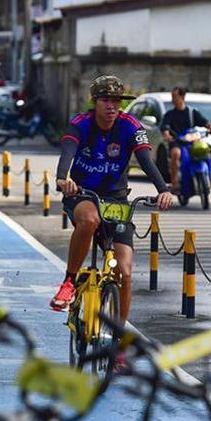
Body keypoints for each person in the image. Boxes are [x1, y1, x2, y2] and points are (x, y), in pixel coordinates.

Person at [51, 75, 174, 333]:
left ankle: (118, 339)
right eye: (106, 100)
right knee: (89, 220)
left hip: (116, 199)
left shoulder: (130, 126)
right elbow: (67, 155)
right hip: (83, 193)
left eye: (116, 101)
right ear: (94, 101)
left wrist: (163, 189)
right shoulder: (81, 123)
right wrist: (64, 179)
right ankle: (69, 282)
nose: (112, 106)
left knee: (125, 273)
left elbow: (145, 161)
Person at [160, 87, 211, 193]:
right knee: (175, 153)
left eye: (175, 96)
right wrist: (167, 135)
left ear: (182, 97)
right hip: (178, 143)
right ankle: (175, 183)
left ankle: (210, 176)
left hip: (193, 142)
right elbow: (165, 127)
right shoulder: (170, 115)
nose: (172, 99)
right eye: (172, 97)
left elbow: (204, 121)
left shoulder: (192, 112)